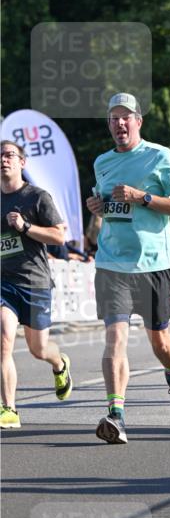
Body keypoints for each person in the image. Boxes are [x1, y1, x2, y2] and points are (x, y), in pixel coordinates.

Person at [85, 93, 170, 445]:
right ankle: (116, 414)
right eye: (113, 118)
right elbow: (108, 211)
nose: (119, 123)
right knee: (115, 339)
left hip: (152, 265)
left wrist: (142, 196)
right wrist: (98, 208)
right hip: (111, 263)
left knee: (160, 342)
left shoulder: (160, 156)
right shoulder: (101, 162)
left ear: (138, 122)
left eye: (125, 117)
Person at [1, 140, 73, 428]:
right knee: (4, 337)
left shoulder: (36, 197)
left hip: (35, 281)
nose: (3, 160)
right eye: (0, 156)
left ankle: (60, 364)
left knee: (38, 349)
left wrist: (26, 227)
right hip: (3, 282)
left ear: (22, 162)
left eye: (9, 155)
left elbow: (59, 236)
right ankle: (9, 409)